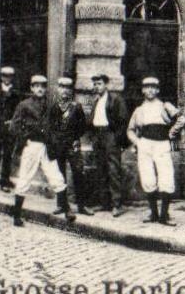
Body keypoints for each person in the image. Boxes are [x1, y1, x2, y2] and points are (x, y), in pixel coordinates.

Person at [7, 74, 74, 227]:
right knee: (25, 178)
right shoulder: (24, 105)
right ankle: (16, 215)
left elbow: (57, 126)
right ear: (32, 88)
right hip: (31, 146)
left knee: (56, 176)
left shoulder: (51, 105)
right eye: (36, 86)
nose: (40, 89)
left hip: (47, 146)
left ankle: (66, 209)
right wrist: (25, 138)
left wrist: (55, 140)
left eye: (43, 86)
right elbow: (14, 127)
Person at [126, 75, 185, 225]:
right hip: (145, 145)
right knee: (148, 178)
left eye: (153, 87)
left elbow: (182, 120)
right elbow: (130, 130)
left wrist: (171, 133)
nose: (150, 90)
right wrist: (138, 143)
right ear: (143, 90)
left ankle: (164, 215)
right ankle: (153, 213)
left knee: (166, 177)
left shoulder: (165, 106)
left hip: (162, 144)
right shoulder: (139, 110)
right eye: (147, 87)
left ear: (158, 90)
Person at [47, 76, 92, 215]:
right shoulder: (53, 107)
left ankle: (81, 206)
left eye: (67, 88)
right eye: (62, 87)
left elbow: (82, 126)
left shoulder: (76, 107)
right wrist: (54, 141)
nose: (64, 90)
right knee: (59, 174)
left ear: (71, 90)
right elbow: (50, 127)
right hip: (58, 145)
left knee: (78, 172)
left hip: (72, 144)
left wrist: (75, 138)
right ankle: (61, 204)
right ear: (58, 89)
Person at [88, 71, 127, 217]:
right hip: (98, 136)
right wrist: (93, 137)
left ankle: (117, 204)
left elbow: (123, 120)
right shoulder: (96, 101)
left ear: (106, 85)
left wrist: (117, 139)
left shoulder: (115, 99)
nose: (96, 87)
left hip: (110, 135)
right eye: (95, 84)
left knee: (113, 170)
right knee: (101, 169)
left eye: (99, 84)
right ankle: (104, 203)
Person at [0, 65, 19, 191]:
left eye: (9, 76)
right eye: (5, 76)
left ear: (12, 78)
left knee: (7, 155)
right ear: (1, 77)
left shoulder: (16, 94)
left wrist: (13, 121)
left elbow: (18, 111)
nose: (7, 78)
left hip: (9, 129)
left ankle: (4, 181)